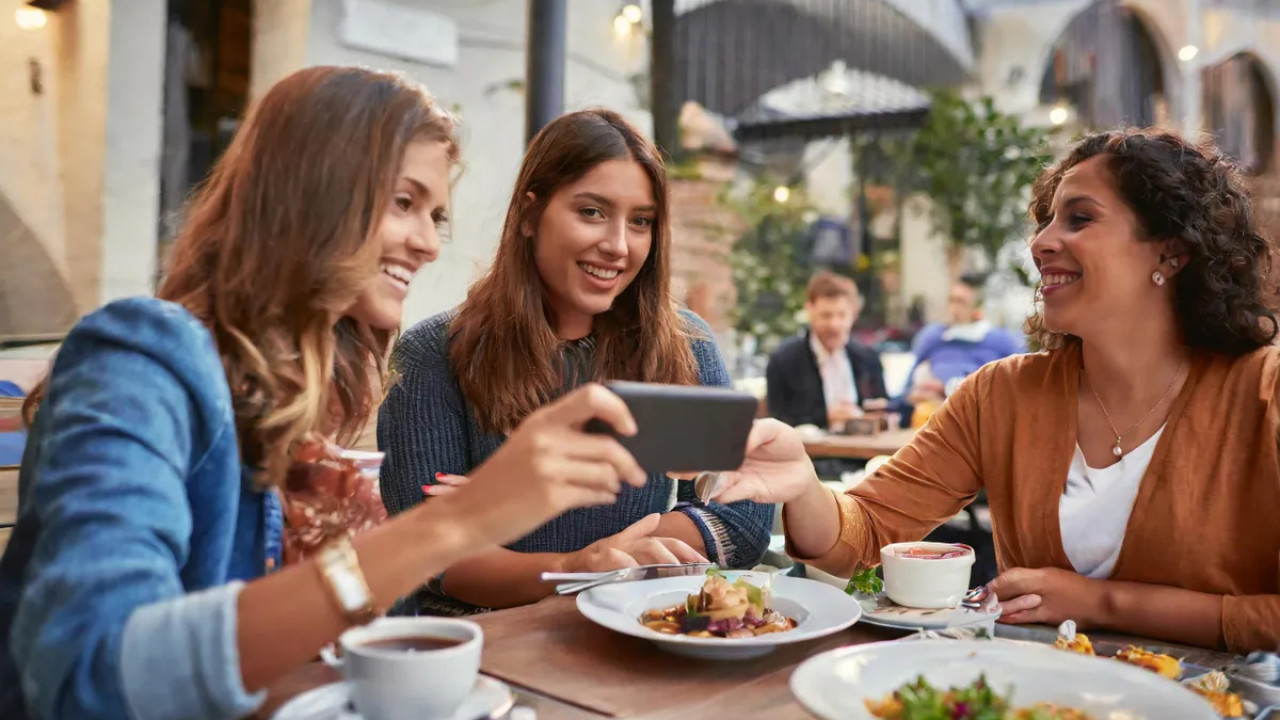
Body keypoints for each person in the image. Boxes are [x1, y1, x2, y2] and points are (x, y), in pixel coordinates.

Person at [0, 68, 654, 720]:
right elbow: (91, 674)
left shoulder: (297, 404)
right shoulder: (141, 358)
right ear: (312, 191)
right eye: (403, 202)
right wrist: (456, 524)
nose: (427, 243)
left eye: (435, 216)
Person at [711, 129, 1280, 653]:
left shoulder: (1263, 393)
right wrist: (804, 486)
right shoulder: (1002, 395)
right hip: (1034, 697)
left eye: (1079, 219)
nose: (1041, 243)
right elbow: (864, 531)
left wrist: (1104, 602)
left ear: (1171, 252)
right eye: (1046, 222)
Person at [378, 109, 774, 614]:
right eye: (591, 211)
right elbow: (433, 560)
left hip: (635, 633)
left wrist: (600, 557)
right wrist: (584, 565)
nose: (617, 245)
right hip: (484, 653)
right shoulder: (433, 354)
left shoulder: (686, 343)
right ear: (528, 214)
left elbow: (747, 517)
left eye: (641, 222)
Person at [765, 271, 888, 431]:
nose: (834, 325)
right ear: (810, 311)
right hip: (811, 453)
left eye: (842, 315)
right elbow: (779, 419)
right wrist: (826, 417)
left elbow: (884, 408)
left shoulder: (867, 358)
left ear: (853, 314)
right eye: (826, 316)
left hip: (865, 451)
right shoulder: (784, 360)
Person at [904, 274, 1025, 408]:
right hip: (935, 408)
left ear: (976, 307)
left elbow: (1019, 381)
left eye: (961, 302)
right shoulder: (933, 336)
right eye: (951, 300)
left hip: (982, 407)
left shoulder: (998, 339)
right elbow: (908, 387)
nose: (954, 308)